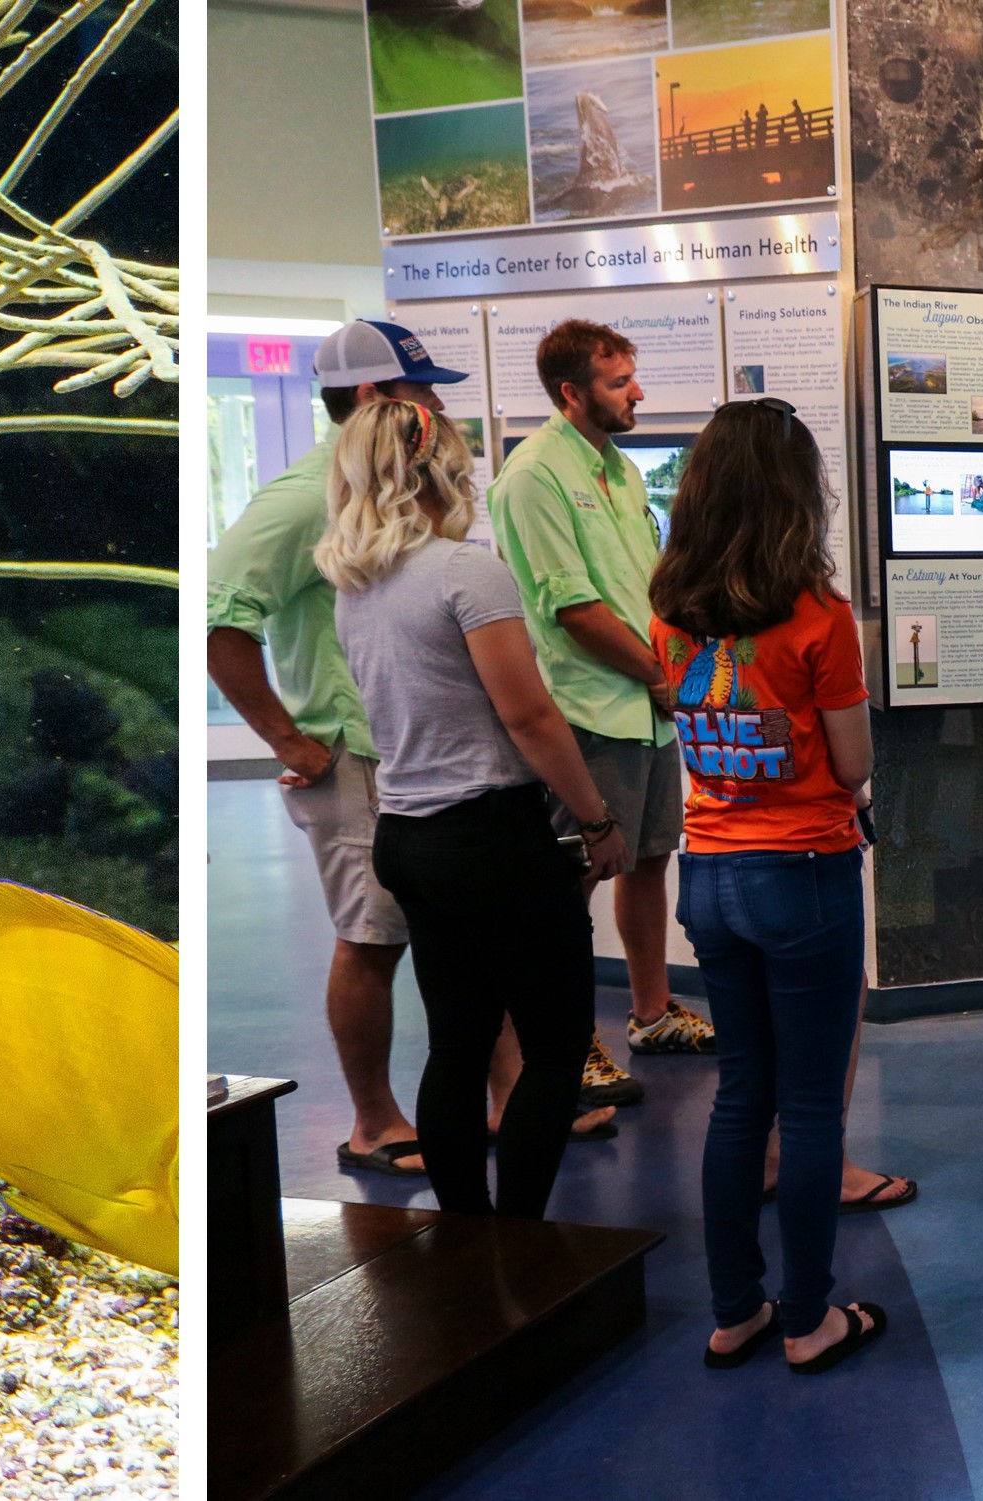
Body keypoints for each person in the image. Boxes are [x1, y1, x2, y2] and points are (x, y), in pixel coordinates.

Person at [319, 396, 636, 1222]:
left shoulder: (357, 583)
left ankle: (464, 1232)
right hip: (491, 835)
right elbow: (529, 717)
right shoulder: (466, 572)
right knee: (556, 1045)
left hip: (409, 836)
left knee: (458, 1041)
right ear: (439, 465)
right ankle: (520, 1232)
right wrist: (596, 820)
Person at [650, 400, 905, 1374]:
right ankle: (809, 1319)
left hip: (708, 874)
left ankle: (734, 1312)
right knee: (808, 1111)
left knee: (736, 1100)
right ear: (800, 496)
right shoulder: (819, 618)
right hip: (804, 876)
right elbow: (850, 765)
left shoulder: (670, 612)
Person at [208, 320, 498, 1177]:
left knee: (467, 932)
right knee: (373, 935)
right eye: (423, 389)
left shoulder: (402, 494)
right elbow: (222, 611)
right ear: (374, 398)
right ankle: (374, 1121)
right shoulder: (305, 496)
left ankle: (510, 1098)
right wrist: (287, 736)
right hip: (355, 757)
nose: (439, 406)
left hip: (425, 753)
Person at [493, 321, 696, 1111]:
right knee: (568, 882)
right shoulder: (534, 476)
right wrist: (658, 677)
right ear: (572, 393)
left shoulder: (620, 469)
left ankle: (649, 1014)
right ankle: (564, 1042)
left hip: (647, 709)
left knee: (647, 859)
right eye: (618, 382)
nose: (637, 392)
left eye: (633, 376)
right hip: (590, 708)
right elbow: (570, 606)